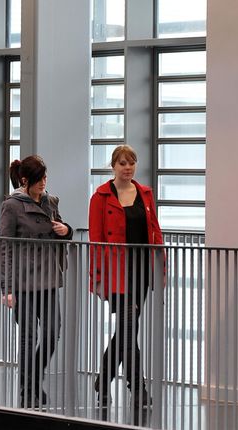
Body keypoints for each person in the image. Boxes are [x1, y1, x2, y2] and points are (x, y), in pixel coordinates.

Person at [89, 144, 164, 411]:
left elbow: (155, 230)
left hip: (141, 270)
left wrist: (160, 268)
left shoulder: (145, 194)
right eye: (122, 163)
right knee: (129, 328)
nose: (128, 167)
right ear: (113, 166)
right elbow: (96, 239)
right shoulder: (100, 196)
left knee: (126, 330)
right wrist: (96, 277)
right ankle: (138, 387)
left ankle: (104, 377)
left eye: (131, 162)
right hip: (117, 274)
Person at [0, 155, 73, 409]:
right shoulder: (12, 206)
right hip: (24, 282)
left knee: (53, 332)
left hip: (50, 280)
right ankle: (27, 388)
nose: (44, 182)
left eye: (45, 177)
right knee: (29, 336)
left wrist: (67, 230)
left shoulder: (50, 202)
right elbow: (5, 247)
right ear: (25, 180)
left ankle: (32, 379)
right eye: (39, 178)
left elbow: (60, 229)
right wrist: (7, 288)